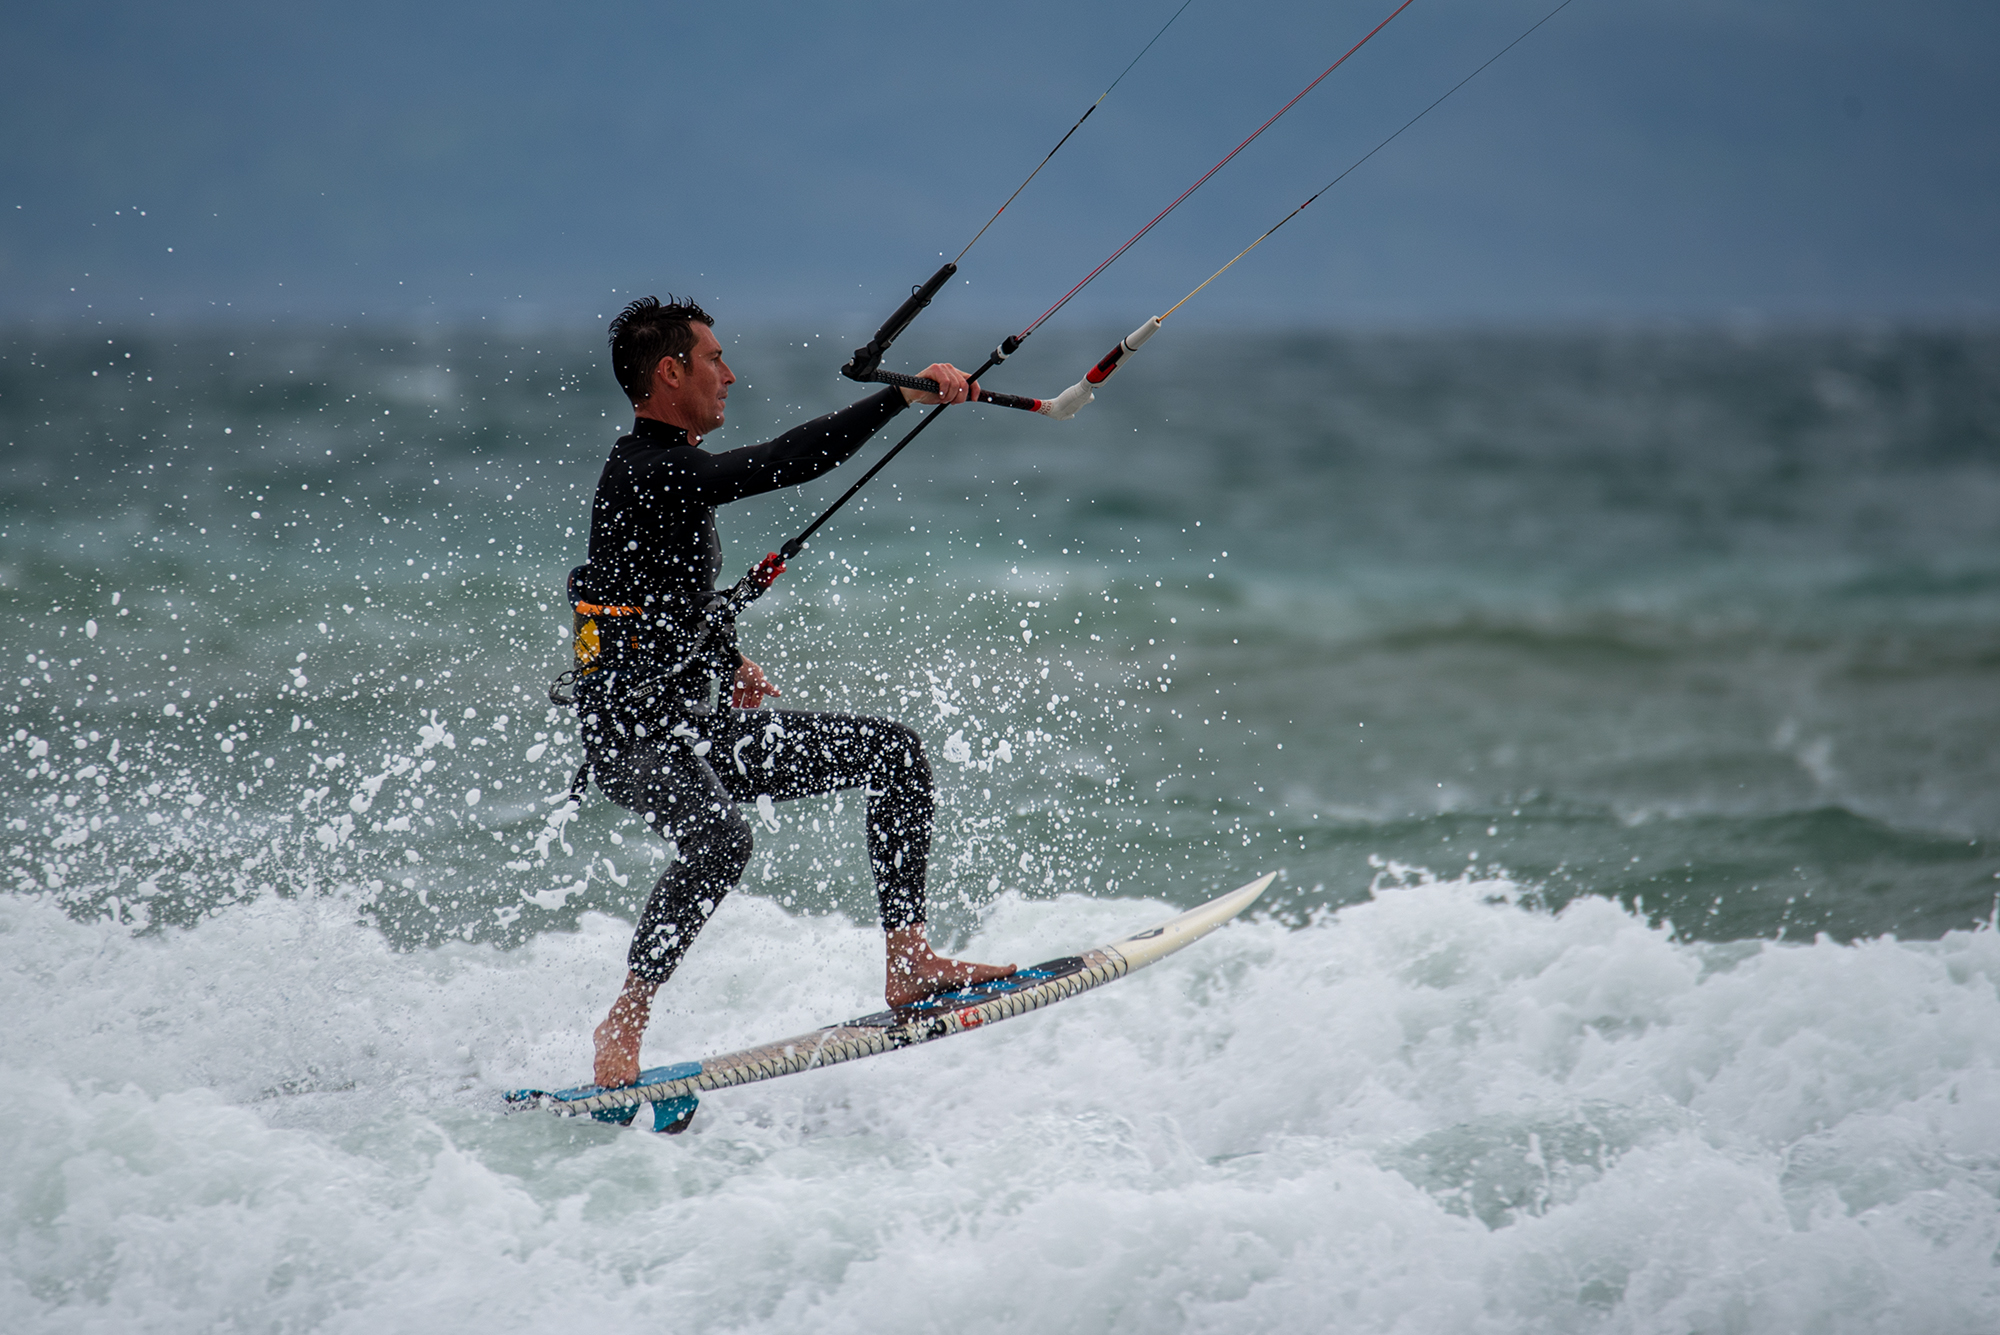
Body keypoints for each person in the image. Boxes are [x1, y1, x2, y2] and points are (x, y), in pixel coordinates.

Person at [571, 295, 1015, 1089]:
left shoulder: (669, 475)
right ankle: (626, 1015)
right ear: (669, 373)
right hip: (630, 741)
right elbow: (784, 461)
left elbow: (660, 592)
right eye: (714, 360)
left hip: (688, 727)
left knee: (894, 754)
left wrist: (730, 656)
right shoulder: (645, 470)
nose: (729, 374)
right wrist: (899, 395)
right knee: (721, 840)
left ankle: (909, 960)